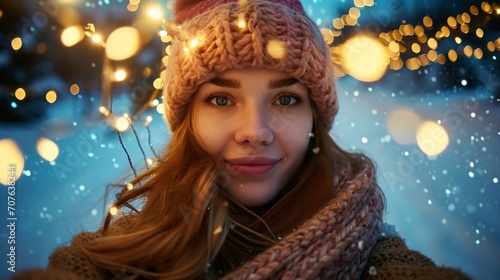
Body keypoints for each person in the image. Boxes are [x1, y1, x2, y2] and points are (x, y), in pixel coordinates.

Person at [16, 0, 470, 279]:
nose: (255, 131)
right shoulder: (128, 255)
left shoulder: (372, 251)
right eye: (220, 100)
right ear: (186, 116)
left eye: (287, 99)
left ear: (316, 115)